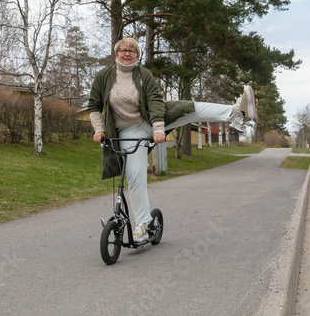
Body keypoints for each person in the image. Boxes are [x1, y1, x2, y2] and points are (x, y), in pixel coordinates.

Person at [88, 37, 255, 242]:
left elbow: (155, 101)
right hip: (127, 132)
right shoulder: (105, 76)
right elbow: (94, 105)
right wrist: (98, 130)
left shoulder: (143, 75)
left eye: (132, 50)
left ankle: (237, 112)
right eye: (122, 49)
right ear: (116, 54)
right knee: (134, 175)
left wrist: (158, 128)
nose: (127, 53)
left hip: (150, 122)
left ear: (137, 55)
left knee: (187, 108)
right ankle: (143, 225)